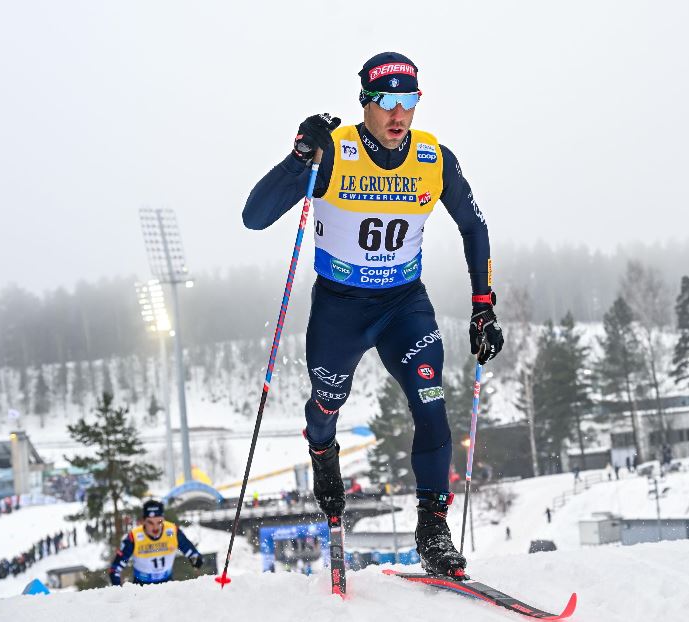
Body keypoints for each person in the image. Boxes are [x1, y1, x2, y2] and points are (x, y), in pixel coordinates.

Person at [243, 51, 504, 578]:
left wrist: (483, 307)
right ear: (365, 102)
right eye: (386, 101)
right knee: (326, 407)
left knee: (432, 405)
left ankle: (432, 531)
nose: (398, 115)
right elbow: (254, 217)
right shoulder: (333, 152)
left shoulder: (434, 159)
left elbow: (474, 228)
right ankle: (322, 453)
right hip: (340, 308)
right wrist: (299, 157)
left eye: (408, 102)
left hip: (404, 305)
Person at [109, 500, 203, 586]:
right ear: (143, 521)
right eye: (150, 523)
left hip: (167, 584)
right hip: (141, 586)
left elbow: (193, 553)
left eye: (159, 522)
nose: (155, 527)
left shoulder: (172, 531)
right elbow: (114, 569)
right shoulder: (134, 536)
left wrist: (196, 560)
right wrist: (118, 591)